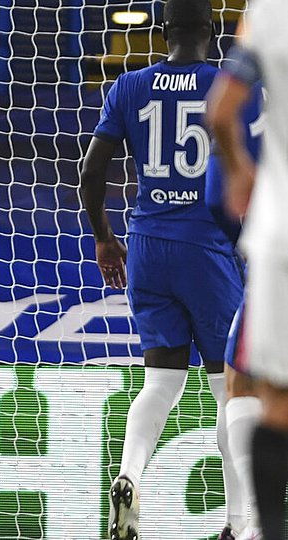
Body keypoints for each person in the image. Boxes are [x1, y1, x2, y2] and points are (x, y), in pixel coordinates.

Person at [79, 1, 245, 538]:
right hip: (207, 249)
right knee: (230, 391)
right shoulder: (229, 86)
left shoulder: (128, 86)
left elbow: (91, 172)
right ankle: (235, 524)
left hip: (147, 247)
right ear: (212, 30)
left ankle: (129, 474)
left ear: (164, 31)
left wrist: (104, 238)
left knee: (160, 381)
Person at [207, 1, 288, 537]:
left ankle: (257, 526)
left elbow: (220, 111)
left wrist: (238, 172)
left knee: (265, 396)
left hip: (280, 235)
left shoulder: (270, 12)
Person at [205, 30, 266, 539]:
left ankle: (249, 521)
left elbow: (214, 196)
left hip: (277, 258)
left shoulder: (247, 88)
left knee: (240, 383)